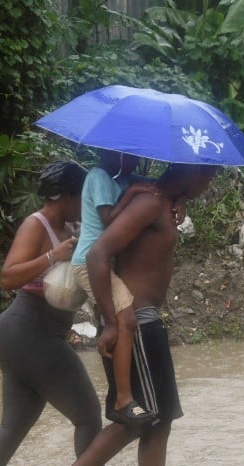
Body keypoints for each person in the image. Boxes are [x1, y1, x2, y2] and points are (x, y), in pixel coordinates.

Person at [29, 162, 219, 466]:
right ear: (192, 173)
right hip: (138, 324)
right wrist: (113, 322)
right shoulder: (149, 203)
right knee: (137, 421)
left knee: (155, 422)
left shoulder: (155, 199)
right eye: (208, 178)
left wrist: (178, 200)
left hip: (143, 325)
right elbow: (98, 254)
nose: (208, 186)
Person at [0, 161, 109, 466]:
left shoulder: (76, 225)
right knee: (89, 417)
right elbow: (7, 277)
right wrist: (52, 255)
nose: (85, 202)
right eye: (82, 195)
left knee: (13, 426)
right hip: (30, 330)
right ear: (65, 196)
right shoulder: (37, 225)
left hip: (24, 336)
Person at [69, 149, 156, 428]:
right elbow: (109, 221)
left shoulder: (125, 179)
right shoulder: (98, 176)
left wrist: (179, 201)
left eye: (134, 156)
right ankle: (123, 400)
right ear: (112, 154)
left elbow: (157, 189)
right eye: (127, 156)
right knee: (124, 320)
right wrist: (132, 194)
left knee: (123, 322)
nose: (133, 161)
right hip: (89, 262)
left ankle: (118, 397)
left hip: (102, 263)